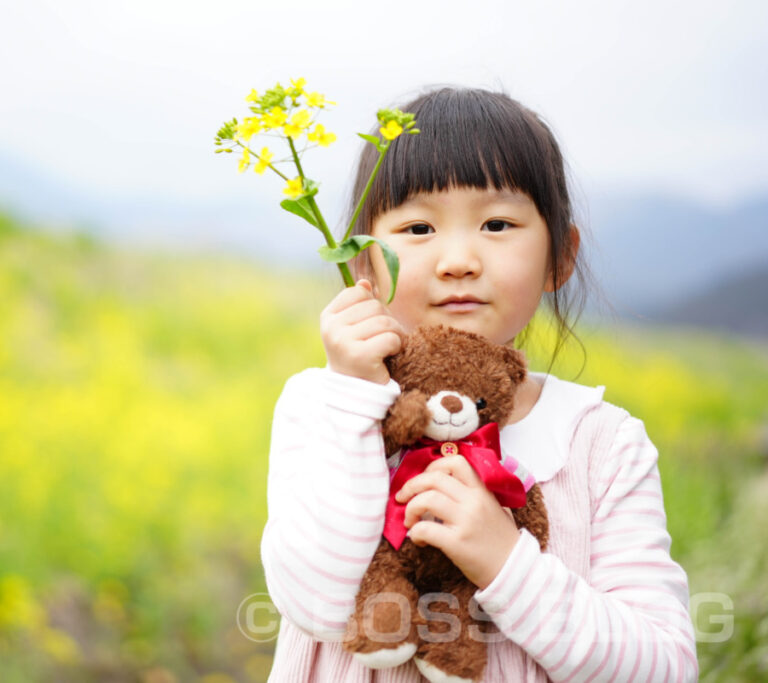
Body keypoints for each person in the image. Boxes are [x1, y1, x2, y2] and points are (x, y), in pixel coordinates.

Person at [260, 87, 698, 682]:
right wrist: (354, 395)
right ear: (362, 261)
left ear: (559, 259)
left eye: (497, 223)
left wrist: (505, 561)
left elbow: (665, 668)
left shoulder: (603, 445)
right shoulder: (324, 407)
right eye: (417, 228)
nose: (458, 259)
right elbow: (318, 605)